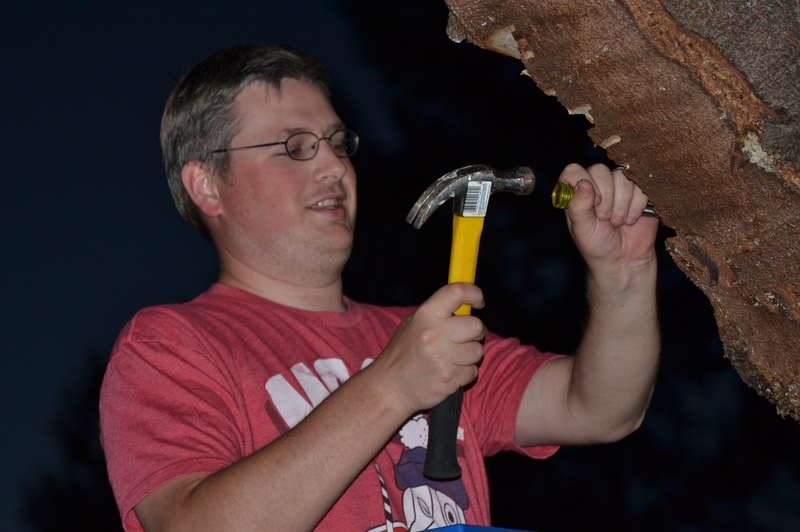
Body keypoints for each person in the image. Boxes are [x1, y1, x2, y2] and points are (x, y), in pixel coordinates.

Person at [99, 44, 660, 532]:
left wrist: (624, 276)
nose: (333, 167)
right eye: (295, 146)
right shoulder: (167, 346)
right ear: (206, 185)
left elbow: (601, 409)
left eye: (338, 143)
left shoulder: (419, 337)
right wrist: (392, 386)